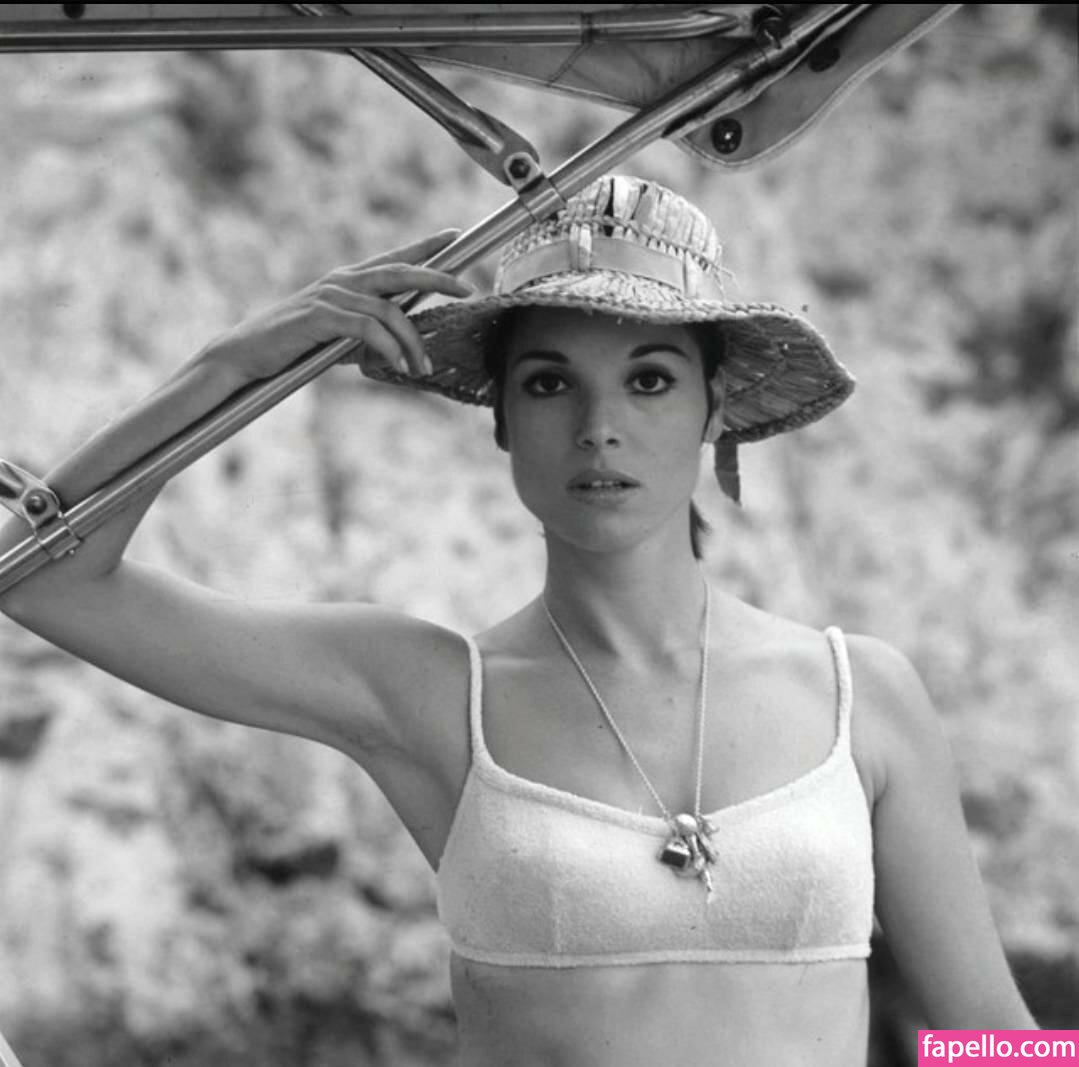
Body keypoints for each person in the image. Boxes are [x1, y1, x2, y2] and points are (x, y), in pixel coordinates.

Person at [0, 175, 1036, 1064]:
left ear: (713, 409)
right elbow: (47, 578)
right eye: (548, 384)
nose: (599, 427)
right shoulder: (424, 693)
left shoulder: (859, 696)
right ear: (500, 418)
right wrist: (234, 365)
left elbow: (985, 1034)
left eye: (649, 379)